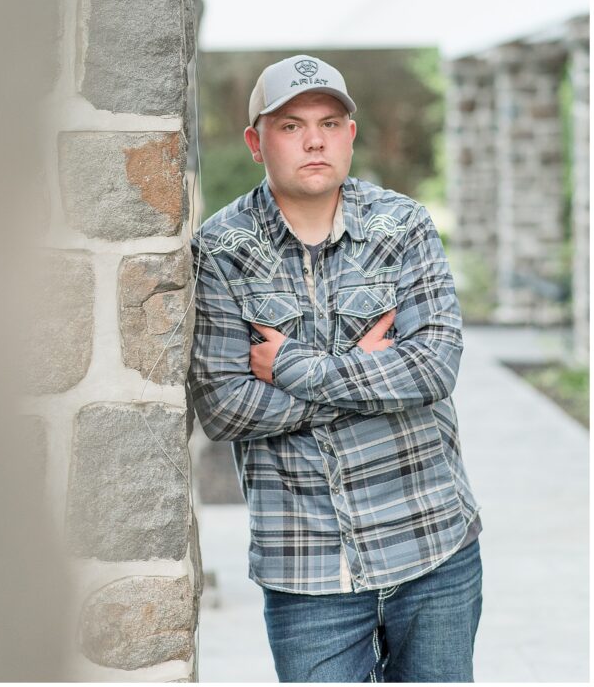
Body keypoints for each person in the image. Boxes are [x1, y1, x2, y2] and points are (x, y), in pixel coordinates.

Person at [188, 54, 483, 683]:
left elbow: (432, 369)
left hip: (432, 546)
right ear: (255, 142)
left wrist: (294, 366)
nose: (314, 139)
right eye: (291, 126)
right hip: (307, 568)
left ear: (351, 134)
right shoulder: (221, 250)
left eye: (329, 122)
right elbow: (223, 406)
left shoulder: (402, 226)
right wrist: (368, 370)